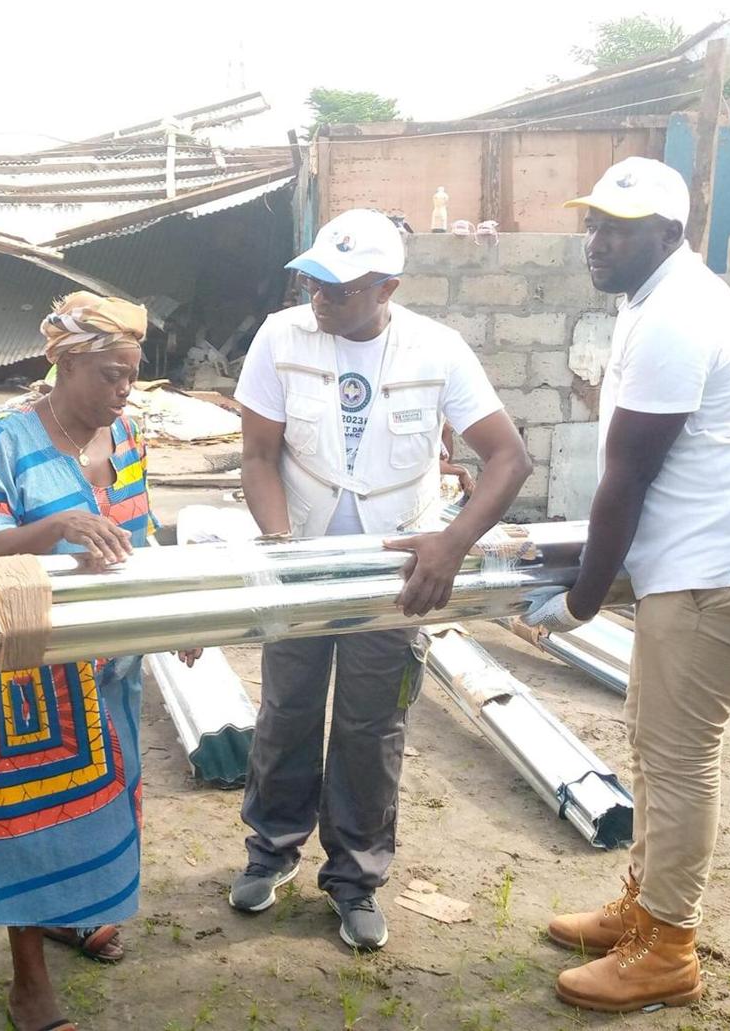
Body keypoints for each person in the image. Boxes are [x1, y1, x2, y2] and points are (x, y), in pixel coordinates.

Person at [523, 157, 730, 1012]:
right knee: (654, 738)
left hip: (720, 566)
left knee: (680, 755)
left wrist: (582, 599)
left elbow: (628, 476)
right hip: (701, 556)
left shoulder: (675, 315)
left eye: (617, 227)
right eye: (593, 223)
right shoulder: (655, 301)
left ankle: (668, 946)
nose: (596, 240)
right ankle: (644, 904)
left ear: (668, 232)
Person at [229, 208, 532, 951]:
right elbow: (260, 456)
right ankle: (270, 850)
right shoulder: (280, 336)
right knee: (288, 709)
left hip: (397, 578)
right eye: (314, 280)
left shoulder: (438, 350)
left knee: (372, 726)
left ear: (387, 287)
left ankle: (355, 879)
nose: (320, 297)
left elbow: (509, 458)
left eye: (340, 287)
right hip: (302, 565)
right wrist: (279, 548)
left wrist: (452, 543)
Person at [0, 292, 196, 1031]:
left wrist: (177, 619)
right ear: (64, 364)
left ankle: (73, 913)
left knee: (104, 792)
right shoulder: (8, 440)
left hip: (108, 664)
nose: (124, 390)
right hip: (34, 671)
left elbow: (140, 539)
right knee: (32, 813)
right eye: (109, 374)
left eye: (131, 374)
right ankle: (27, 983)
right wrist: (55, 525)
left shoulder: (124, 439)